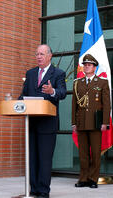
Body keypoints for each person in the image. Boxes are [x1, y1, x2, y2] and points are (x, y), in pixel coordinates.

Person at [18, 44, 67, 198]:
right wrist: (17, 103)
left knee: (44, 160)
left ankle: (44, 192)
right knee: (32, 159)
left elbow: (63, 92)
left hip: (47, 124)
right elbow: (23, 95)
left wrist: (52, 91)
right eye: (37, 54)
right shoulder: (30, 73)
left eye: (42, 54)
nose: (38, 57)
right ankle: (33, 190)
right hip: (31, 123)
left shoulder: (58, 73)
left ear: (49, 56)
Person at [72, 54, 110, 189]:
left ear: (94, 67)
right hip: (81, 122)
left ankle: (93, 179)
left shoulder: (102, 82)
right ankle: (83, 178)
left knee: (95, 153)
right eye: (85, 65)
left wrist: (105, 123)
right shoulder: (77, 83)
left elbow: (106, 105)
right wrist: (74, 123)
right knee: (83, 154)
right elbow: (74, 105)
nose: (87, 66)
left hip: (96, 122)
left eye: (89, 65)